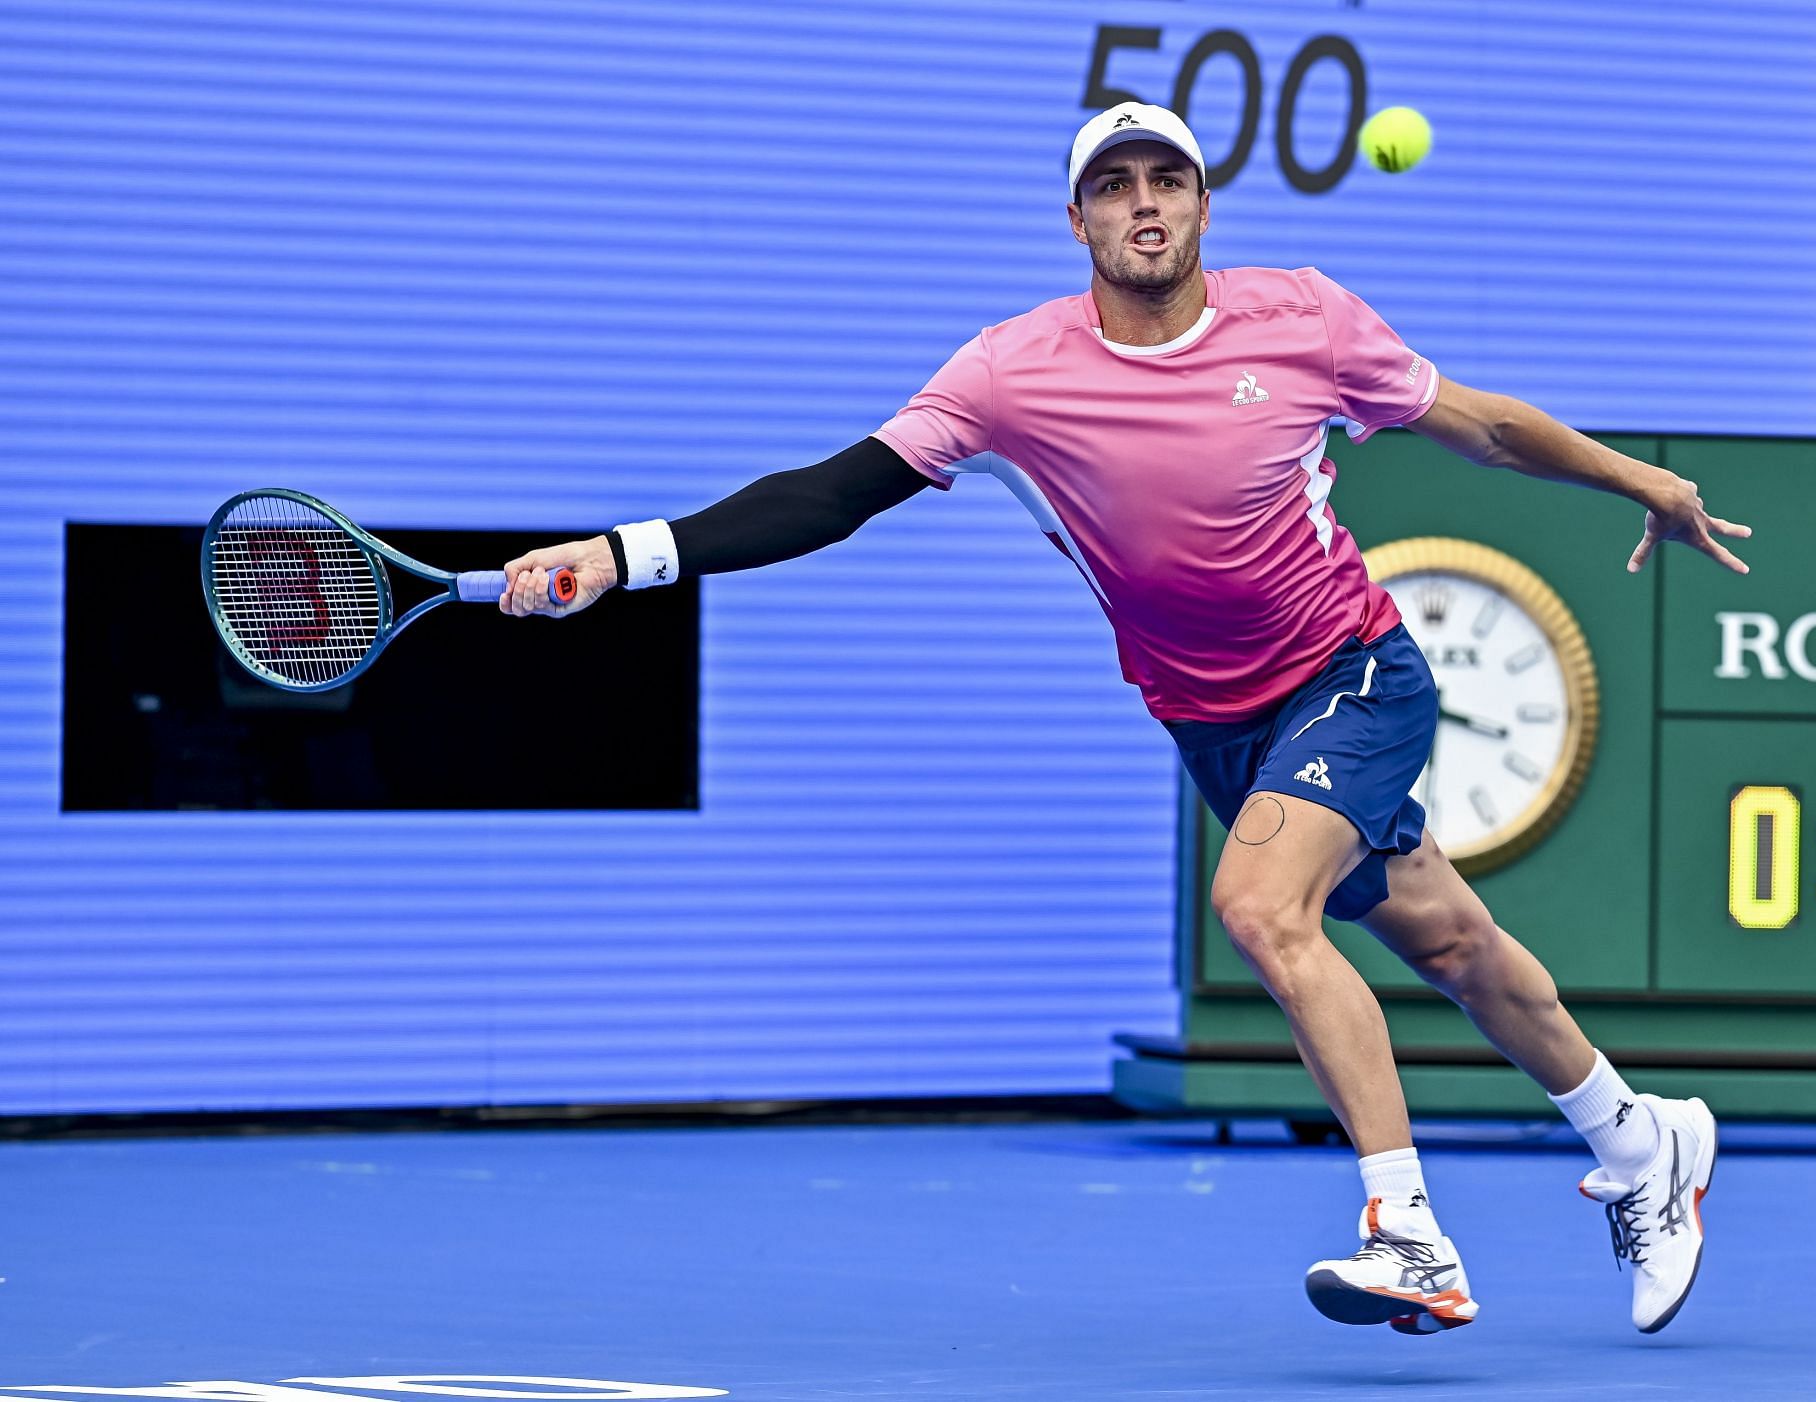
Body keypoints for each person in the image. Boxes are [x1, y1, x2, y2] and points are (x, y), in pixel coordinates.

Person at [498, 103, 1750, 1336]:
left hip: (1354, 671)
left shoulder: (1303, 318)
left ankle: (1408, 1234)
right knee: (1452, 943)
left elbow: (1477, 423)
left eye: (1168, 179)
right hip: (1213, 724)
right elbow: (834, 493)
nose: (1143, 201)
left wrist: (1639, 476)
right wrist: (625, 554)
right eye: (1116, 184)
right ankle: (1644, 1141)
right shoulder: (1007, 376)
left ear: (1205, 206)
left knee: (1261, 907)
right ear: (1078, 217)